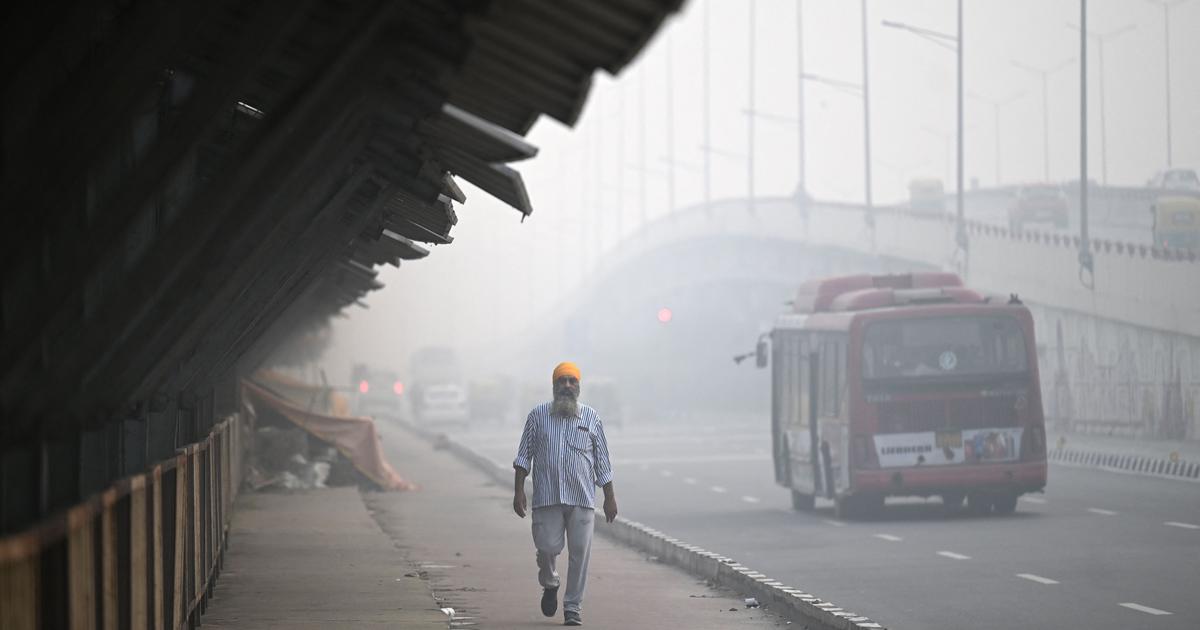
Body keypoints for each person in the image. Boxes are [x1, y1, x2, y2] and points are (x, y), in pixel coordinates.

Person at [512, 361, 617, 627]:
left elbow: (602, 460)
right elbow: (524, 456)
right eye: (562, 381)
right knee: (547, 548)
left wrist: (609, 496)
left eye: (572, 381)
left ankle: (572, 608)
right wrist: (518, 491)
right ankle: (549, 583)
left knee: (580, 554)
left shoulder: (592, 418)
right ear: (554, 386)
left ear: (579, 386)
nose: (567, 386)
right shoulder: (537, 416)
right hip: (547, 498)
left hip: (582, 498)